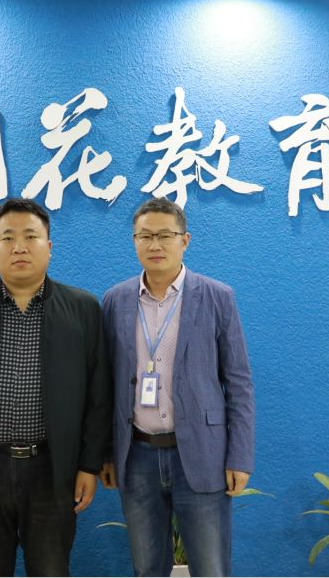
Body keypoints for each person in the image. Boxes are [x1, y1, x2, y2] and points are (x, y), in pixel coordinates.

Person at [0, 198, 111, 577]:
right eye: (7, 238)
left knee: (51, 570)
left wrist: (89, 465)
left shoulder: (83, 309)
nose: (19, 247)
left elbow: (99, 396)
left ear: (49, 246)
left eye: (31, 236)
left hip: (53, 470)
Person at [99, 197, 255, 577]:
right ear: (134, 241)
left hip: (201, 454)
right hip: (137, 455)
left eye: (165, 235)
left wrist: (239, 456)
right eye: (145, 236)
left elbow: (238, 382)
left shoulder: (218, 297)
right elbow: (104, 385)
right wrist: (105, 452)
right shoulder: (115, 300)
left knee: (211, 569)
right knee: (147, 568)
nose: (155, 244)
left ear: (185, 240)